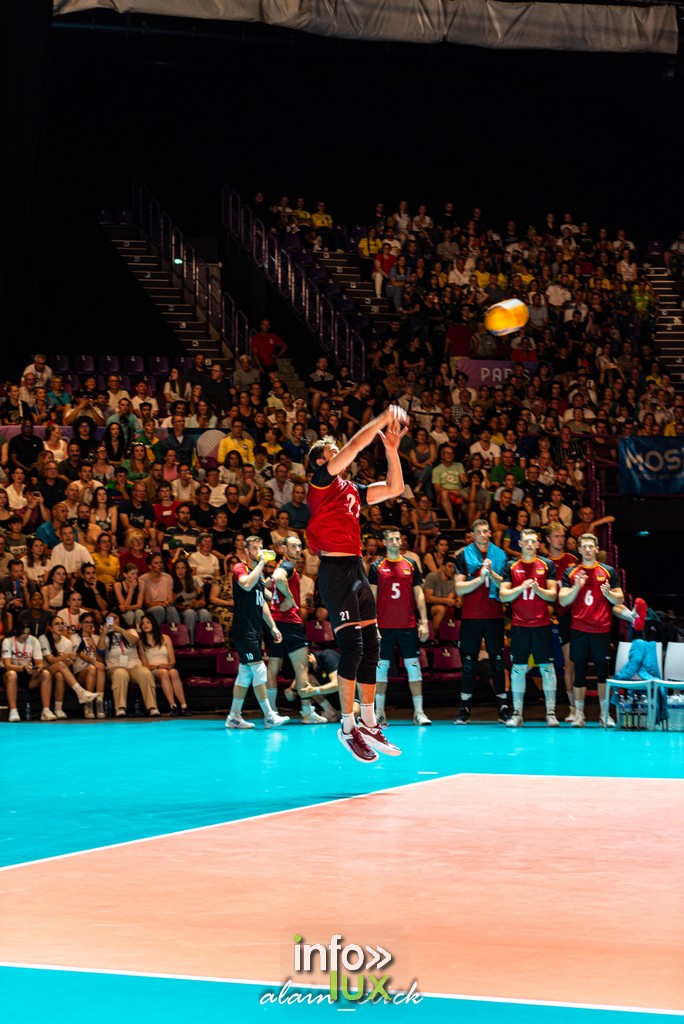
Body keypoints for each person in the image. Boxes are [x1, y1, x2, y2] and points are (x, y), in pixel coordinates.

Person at [306, 405, 407, 763]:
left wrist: (392, 451)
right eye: (330, 454)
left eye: (335, 453)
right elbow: (354, 446)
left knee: (372, 646)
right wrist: (381, 419)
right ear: (320, 462)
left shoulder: (353, 490)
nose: (339, 456)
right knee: (352, 647)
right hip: (335, 571)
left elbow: (396, 487)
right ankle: (347, 728)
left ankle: (367, 721)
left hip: (357, 569)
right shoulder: (321, 483)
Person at [559, 533, 645, 728]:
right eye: (585, 547)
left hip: (601, 629)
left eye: (591, 546)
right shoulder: (571, 572)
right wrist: (576, 587)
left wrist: (608, 594)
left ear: (597, 549)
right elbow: (563, 600)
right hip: (578, 628)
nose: (588, 550)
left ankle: (604, 714)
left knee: (602, 673)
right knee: (579, 672)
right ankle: (579, 714)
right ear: (579, 550)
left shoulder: (608, 571)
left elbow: (619, 599)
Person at [223, 536, 289, 730]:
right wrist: (261, 563)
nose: (259, 551)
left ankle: (234, 716)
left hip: (254, 629)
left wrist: (273, 626)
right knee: (259, 670)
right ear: (246, 550)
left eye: (261, 548)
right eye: (255, 549)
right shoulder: (239, 568)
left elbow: (261, 603)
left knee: (245, 673)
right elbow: (246, 584)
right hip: (243, 630)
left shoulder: (257, 573)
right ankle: (269, 716)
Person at [368, 528, 431, 727]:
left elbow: (419, 594)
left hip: (408, 625)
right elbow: (372, 597)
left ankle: (419, 713)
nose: (396, 542)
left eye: (398, 539)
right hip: (384, 627)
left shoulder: (411, 564)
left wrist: (424, 621)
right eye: (392, 539)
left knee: (414, 668)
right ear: (385, 543)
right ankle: (379, 713)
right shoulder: (376, 566)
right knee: (381, 670)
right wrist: (373, 624)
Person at [453, 518, 511, 725]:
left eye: (486, 531)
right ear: (473, 534)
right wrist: (479, 577)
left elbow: (506, 587)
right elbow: (459, 589)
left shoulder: (500, 555)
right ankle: (464, 709)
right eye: (479, 532)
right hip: (471, 617)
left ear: (490, 533)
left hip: (494, 615)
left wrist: (492, 574)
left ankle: (503, 707)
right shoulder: (463, 555)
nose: (483, 535)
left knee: (497, 662)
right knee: (468, 663)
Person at [500, 529, 559, 727]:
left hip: (542, 625)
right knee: (518, 669)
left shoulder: (547, 564)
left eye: (533, 541)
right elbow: (503, 595)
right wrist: (521, 587)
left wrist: (537, 590)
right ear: (520, 544)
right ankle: (517, 713)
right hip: (519, 626)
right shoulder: (511, 566)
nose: (529, 545)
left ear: (537, 544)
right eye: (526, 541)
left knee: (547, 669)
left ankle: (551, 713)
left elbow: (552, 595)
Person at [266, 534, 327, 724]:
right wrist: (291, 599)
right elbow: (278, 578)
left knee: (273, 668)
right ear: (284, 549)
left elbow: (267, 584)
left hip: (275, 623)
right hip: (290, 624)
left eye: (300, 546)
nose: (298, 549)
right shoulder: (288, 566)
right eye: (293, 546)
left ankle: (271, 713)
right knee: (301, 668)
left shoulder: (281, 566)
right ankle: (307, 713)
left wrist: (274, 596)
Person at [545, 523, 580, 722]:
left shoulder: (573, 559)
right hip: (558, 617)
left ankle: (580, 708)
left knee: (576, 663)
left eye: (562, 536)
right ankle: (572, 708)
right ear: (548, 539)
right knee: (568, 665)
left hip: (576, 614)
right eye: (556, 536)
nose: (561, 539)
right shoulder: (545, 563)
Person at [96, 611, 159, 718]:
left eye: (115, 618)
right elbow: (100, 651)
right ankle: (120, 708)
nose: (113, 621)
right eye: (109, 619)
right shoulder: (106, 636)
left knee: (145, 673)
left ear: (120, 619)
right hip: (114, 667)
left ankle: (152, 707)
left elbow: (135, 642)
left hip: (134, 665)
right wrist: (103, 634)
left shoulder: (130, 631)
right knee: (121, 674)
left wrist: (120, 630)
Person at [39, 615, 99, 719]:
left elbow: (66, 665)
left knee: (60, 675)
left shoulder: (67, 642)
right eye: (57, 624)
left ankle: (58, 708)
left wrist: (69, 661)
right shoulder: (43, 639)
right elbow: (51, 660)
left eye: (62, 624)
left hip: (59, 672)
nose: (60, 626)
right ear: (50, 627)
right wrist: (67, 656)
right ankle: (80, 692)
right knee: (60, 666)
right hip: (45, 672)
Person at [2, 621, 55, 721]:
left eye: (27, 633)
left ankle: (46, 710)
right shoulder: (8, 641)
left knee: (46, 674)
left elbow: (40, 663)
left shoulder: (33, 640)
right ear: (16, 631)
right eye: (23, 633)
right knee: (12, 675)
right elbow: (8, 665)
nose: (25, 636)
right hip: (9, 672)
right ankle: (13, 711)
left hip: (27, 672)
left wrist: (38, 669)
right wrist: (23, 668)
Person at [139, 613, 189, 715]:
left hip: (167, 667)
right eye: (143, 623)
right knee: (163, 673)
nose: (145, 625)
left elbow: (172, 660)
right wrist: (158, 666)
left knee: (174, 672)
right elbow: (145, 664)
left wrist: (169, 665)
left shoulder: (165, 638)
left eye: (148, 622)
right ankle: (173, 706)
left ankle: (184, 706)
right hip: (153, 670)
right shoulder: (141, 642)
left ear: (153, 624)